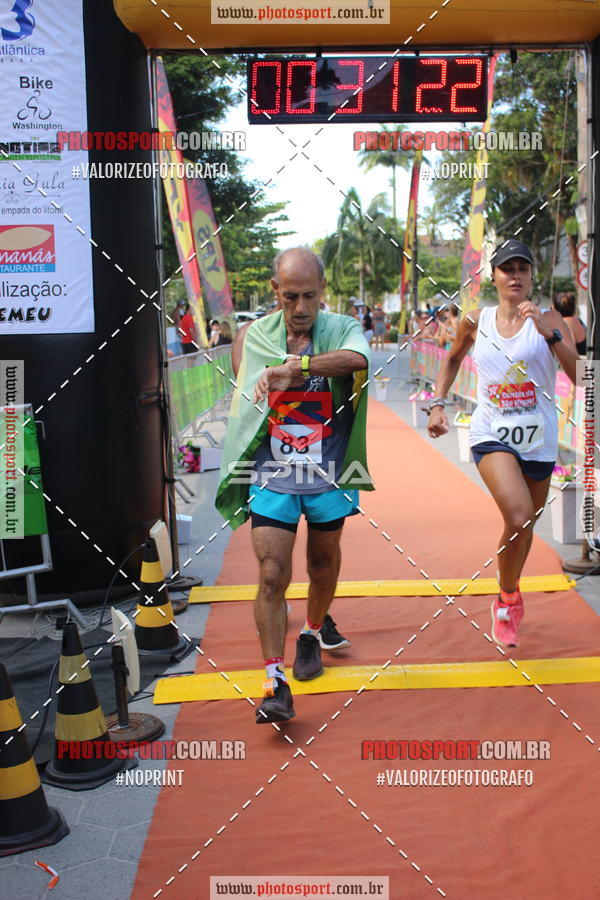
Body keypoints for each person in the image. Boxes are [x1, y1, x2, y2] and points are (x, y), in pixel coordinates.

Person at [216, 247, 373, 724]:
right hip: (272, 472)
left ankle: (310, 631)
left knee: (322, 563)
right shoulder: (252, 337)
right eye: (290, 297)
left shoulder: (340, 327)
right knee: (270, 573)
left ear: (322, 291)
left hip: (328, 470)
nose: (301, 307)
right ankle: (274, 682)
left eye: (309, 295)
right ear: (274, 292)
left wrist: (297, 369)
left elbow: (357, 358)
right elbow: (246, 399)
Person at [426, 239, 578, 648]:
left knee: (524, 526)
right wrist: (437, 403)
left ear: (531, 277)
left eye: (522, 269)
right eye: (506, 268)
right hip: (491, 433)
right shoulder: (477, 320)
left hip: (539, 440)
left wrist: (548, 334)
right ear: (493, 276)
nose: (515, 275)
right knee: (518, 514)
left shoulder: (551, 320)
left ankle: (507, 591)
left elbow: (581, 375)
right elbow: (453, 359)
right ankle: (507, 599)